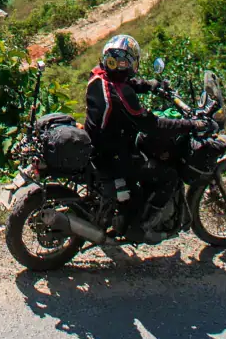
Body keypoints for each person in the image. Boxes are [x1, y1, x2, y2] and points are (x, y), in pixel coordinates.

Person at [83, 33, 197, 238]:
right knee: (167, 175)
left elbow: (127, 81)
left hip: (98, 143)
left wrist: (151, 85)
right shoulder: (122, 94)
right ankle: (140, 227)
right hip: (113, 154)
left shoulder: (99, 75)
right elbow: (153, 125)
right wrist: (190, 124)